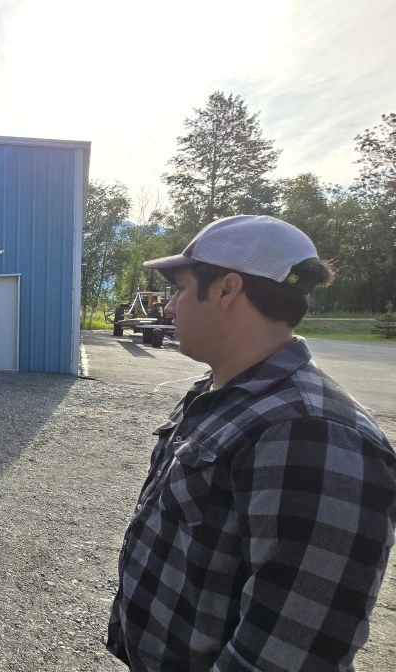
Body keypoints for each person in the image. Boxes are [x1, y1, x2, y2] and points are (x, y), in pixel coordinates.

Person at [106, 215, 396, 671]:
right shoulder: (220, 392)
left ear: (228, 289)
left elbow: (291, 651)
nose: (170, 308)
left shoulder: (312, 433)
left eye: (180, 290)